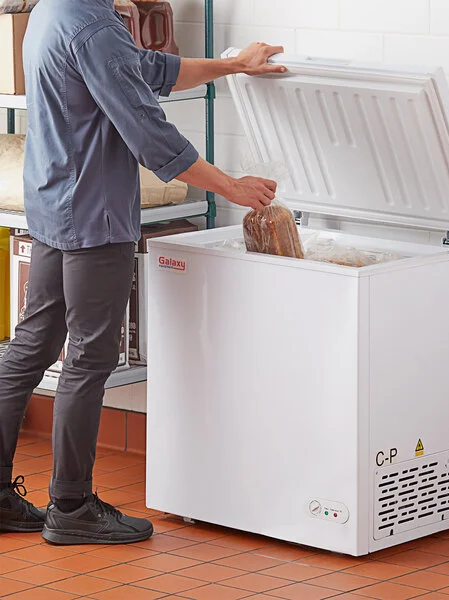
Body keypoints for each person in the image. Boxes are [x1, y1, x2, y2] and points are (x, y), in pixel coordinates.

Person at [0, 0, 284, 545]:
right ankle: (72, 506)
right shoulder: (93, 26)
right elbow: (150, 137)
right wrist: (232, 188)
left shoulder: (54, 11)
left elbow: (147, 71)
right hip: (94, 213)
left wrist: (234, 65)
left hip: (54, 199)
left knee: (31, 348)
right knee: (89, 356)